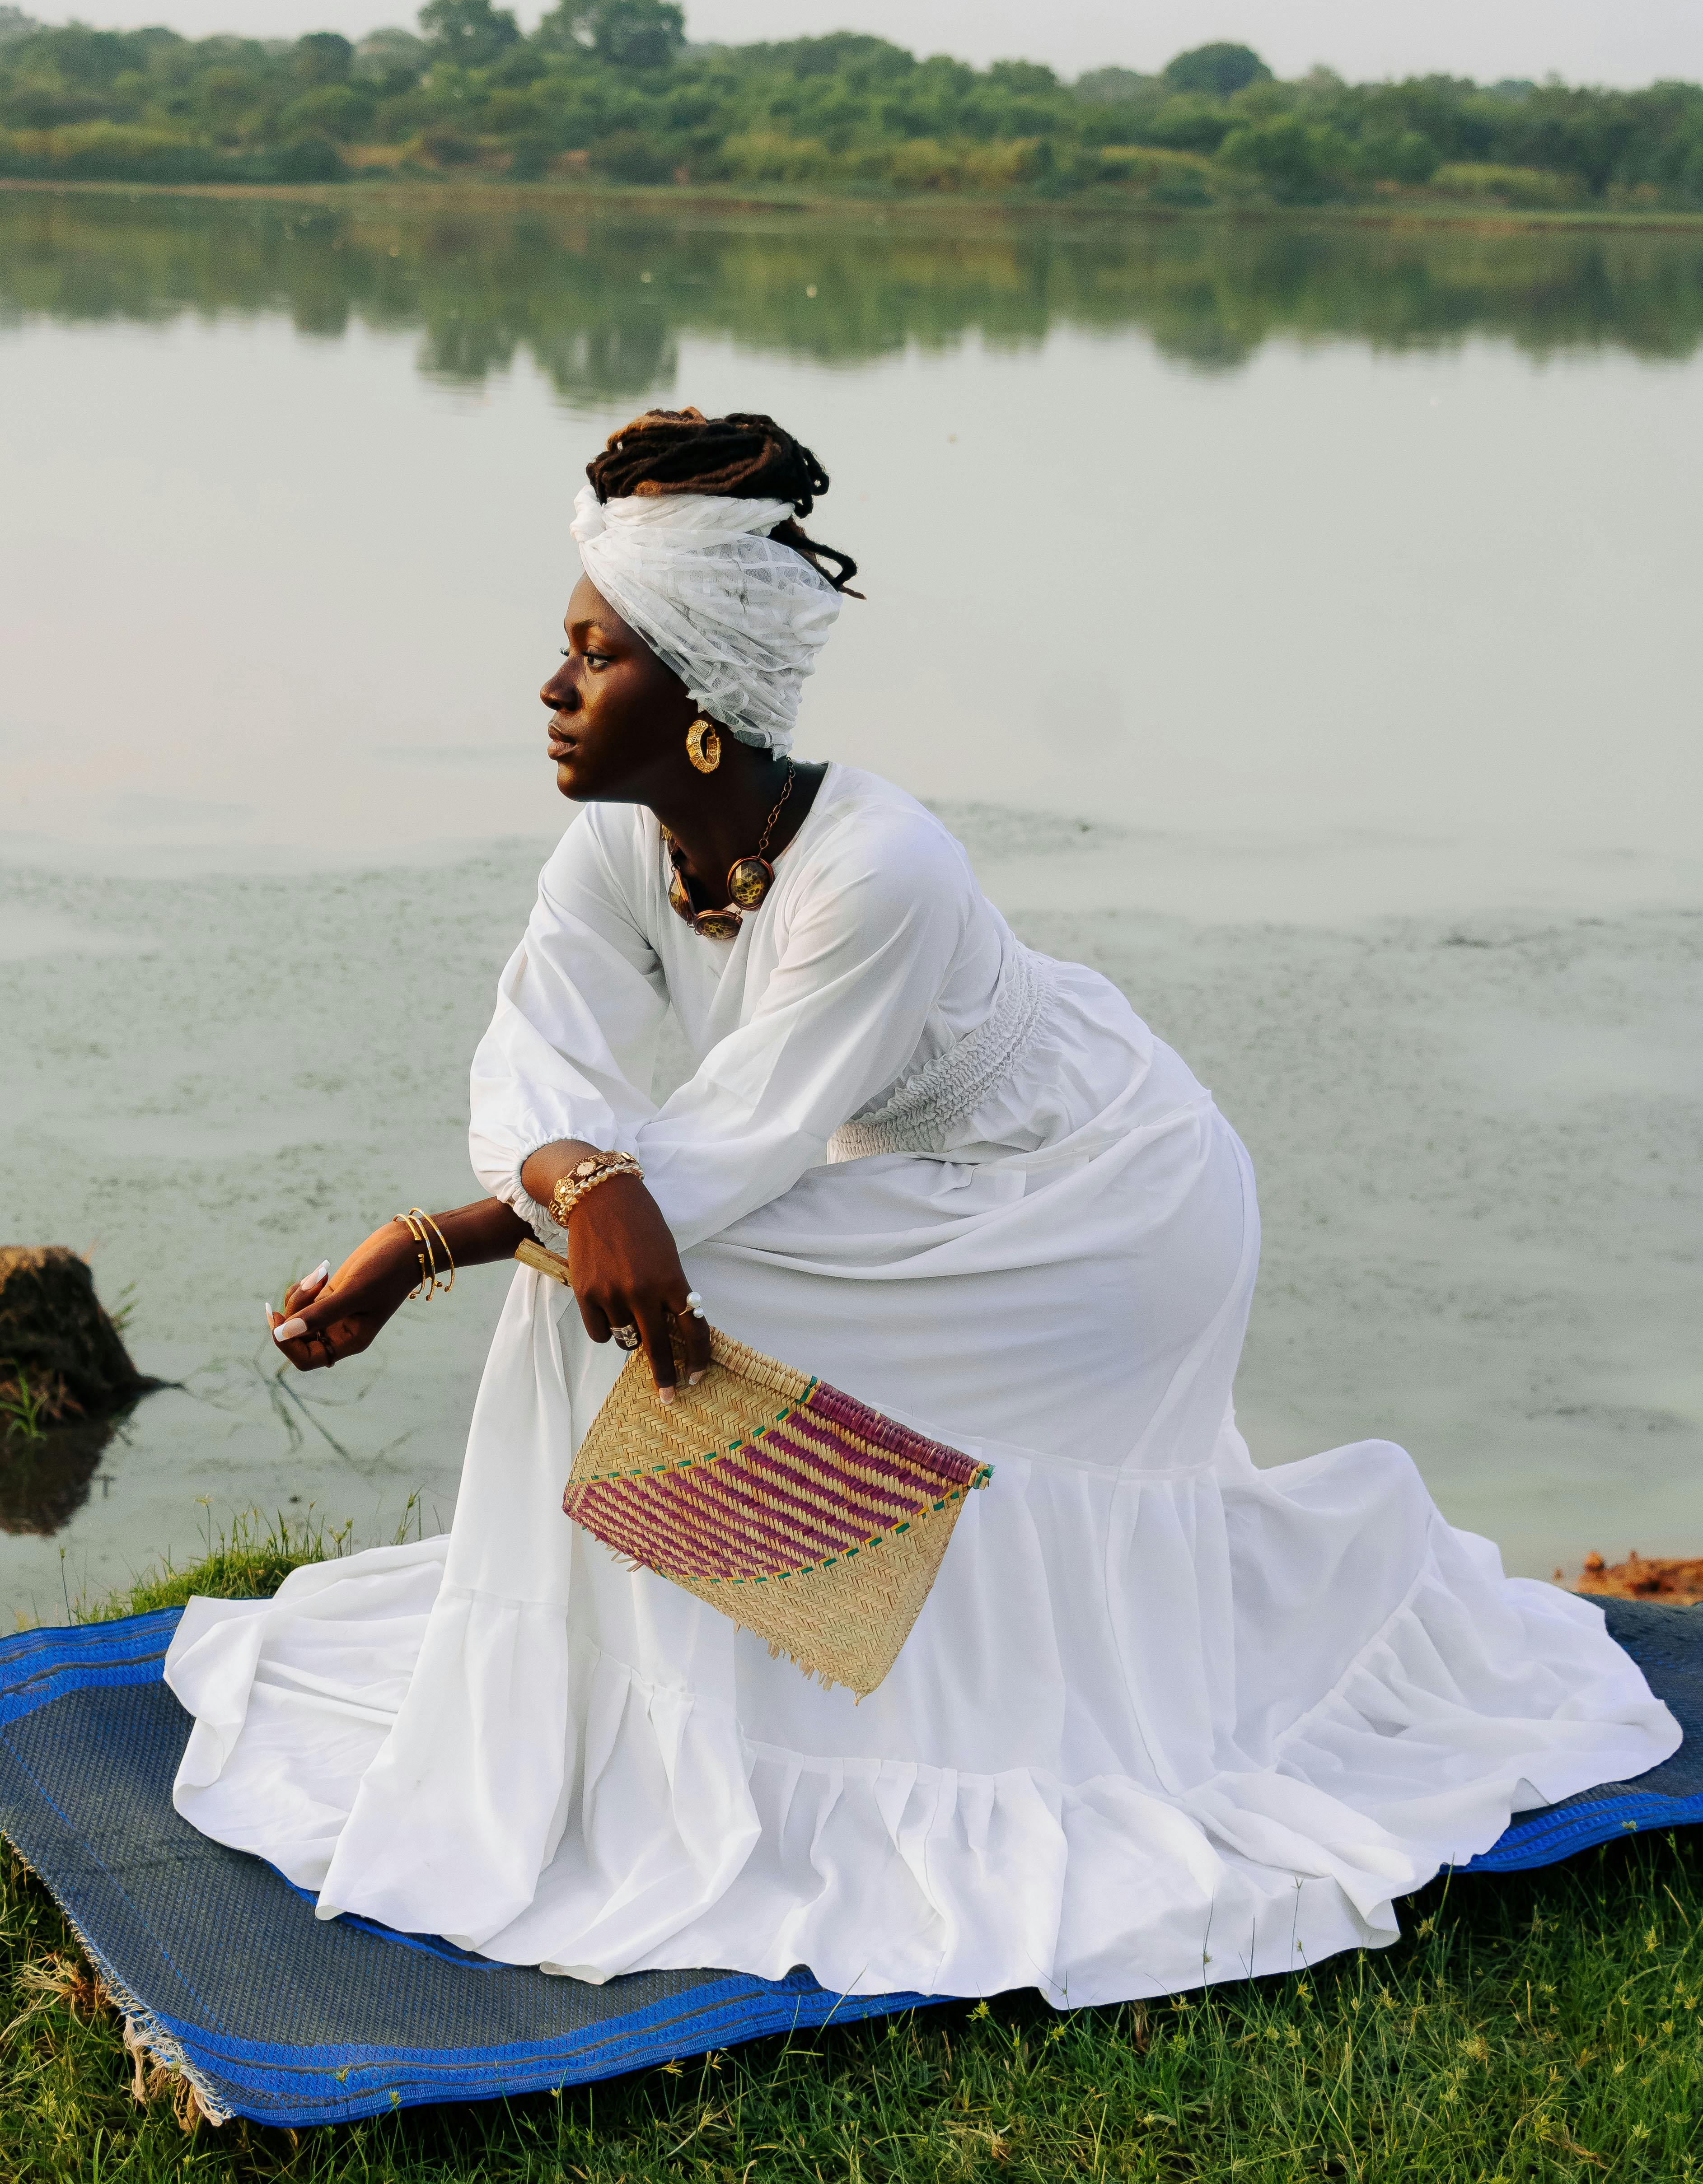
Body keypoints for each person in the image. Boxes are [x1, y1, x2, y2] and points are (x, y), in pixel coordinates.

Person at [165, 407, 1678, 2008]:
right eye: (565, 648)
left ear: (694, 702)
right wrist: (515, 1204)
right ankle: (644, 1731)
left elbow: (708, 1168)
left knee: (618, 1298)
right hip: (915, 1181)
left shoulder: (880, 868)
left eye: (594, 657)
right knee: (601, 1287)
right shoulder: (621, 854)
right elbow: (540, 1088)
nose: (551, 689)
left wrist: (443, 1241)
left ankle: (732, 1745)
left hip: (1102, 1209)